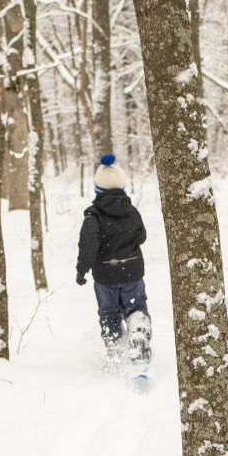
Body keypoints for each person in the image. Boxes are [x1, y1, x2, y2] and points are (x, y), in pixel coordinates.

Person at [77, 154, 151, 370]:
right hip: (132, 273)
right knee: (136, 307)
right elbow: (142, 237)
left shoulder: (94, 217)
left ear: (97, 190)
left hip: (106, 277)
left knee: (109, 313)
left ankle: (114, 349)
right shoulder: (132, 212)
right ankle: (138, 330)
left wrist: (82, 270)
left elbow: (87, 246)